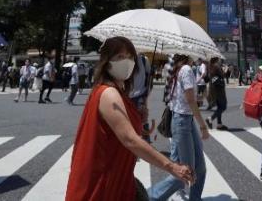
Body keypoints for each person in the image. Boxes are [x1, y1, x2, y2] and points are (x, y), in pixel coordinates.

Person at [66, 37, 192, 200]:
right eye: (119, 57)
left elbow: (119, 130)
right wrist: (171, 166)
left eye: (130, 57)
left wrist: (139, 119)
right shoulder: (109, 93)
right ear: (107, 61)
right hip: (105, 181)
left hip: (119, 175)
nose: (126, 62)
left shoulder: (120, 91)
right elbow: (129, 139)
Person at [149, 54, 209, 201]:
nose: (198, 54)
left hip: (183, 119)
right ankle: (150, 196)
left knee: (199, 169)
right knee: (184, 173)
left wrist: (196, 98)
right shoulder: (187, 69)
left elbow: (182, 97)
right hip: (182, 121)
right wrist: (203, 126)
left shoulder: (178, 69)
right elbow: (190, 100)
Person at [205, 58, 228, 131]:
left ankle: (219, 124)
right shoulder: (216, 66)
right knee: (223, 107)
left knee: (219, 107)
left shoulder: (210, 66)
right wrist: (225, 70)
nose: (220, 59)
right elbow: (221, 76)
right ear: (216, 59)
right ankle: (210, 119)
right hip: (219, 90)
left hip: (214, 90)